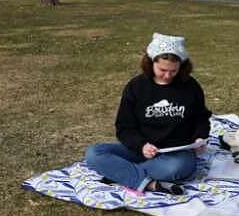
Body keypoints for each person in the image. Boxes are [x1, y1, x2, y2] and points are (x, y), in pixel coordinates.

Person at [85, 33, 211, 195]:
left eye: (174, 71)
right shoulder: (136, 86)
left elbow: (201, 117)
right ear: (151, 63)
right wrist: (141, 145)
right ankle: (149, 183)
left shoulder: (190, 86)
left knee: (180, 167)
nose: (167, 75)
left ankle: (121, 174)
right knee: (94, 153)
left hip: (175, 153)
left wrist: (200, 137)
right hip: (140, 149)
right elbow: (124, 127)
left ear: (182, 66)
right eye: (162, 70)